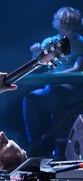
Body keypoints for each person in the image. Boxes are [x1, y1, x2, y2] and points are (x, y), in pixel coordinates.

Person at [23, 6, 83, 159]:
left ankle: (61, 143)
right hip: (51, 87)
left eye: (68, 26)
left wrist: (56, 75)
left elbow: (77, 68)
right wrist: (35, 55)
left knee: (56, 95)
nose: (65, 29)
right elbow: (39, 68)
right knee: (30, 98)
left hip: (72, 89)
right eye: (62, 25)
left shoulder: (80, 43)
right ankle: (34, 145)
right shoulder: (50, 42)